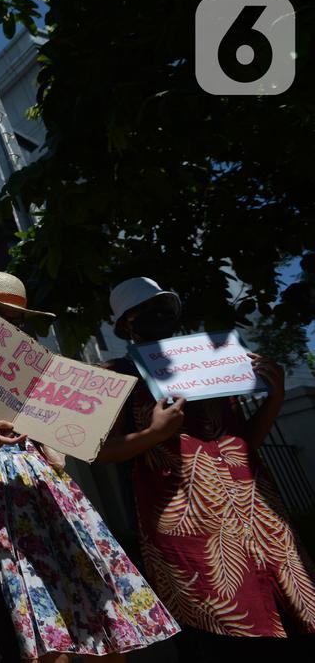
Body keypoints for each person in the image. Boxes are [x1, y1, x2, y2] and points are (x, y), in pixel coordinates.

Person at [0, 271, 179, 663]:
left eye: (17, 321)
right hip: (0, 492)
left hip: (52, 486)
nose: (11, 329)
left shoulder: (35, 369)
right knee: (38, 612)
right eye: (0, 317)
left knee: (98, 601)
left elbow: (69, 429)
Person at [98, 276, 315, 661]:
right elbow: (102, 451)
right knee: (220, 633)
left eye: (164, 306)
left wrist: (275, 395)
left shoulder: (213, 361)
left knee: (295, 619)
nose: (158, 314)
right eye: (144, 309)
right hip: (188, 526)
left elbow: (244, 442)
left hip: (259, 516)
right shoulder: (115, 374)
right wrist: (153, 434)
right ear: (125, 324)